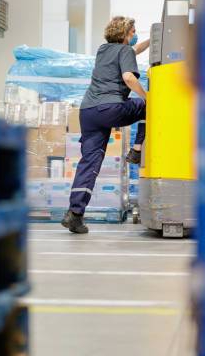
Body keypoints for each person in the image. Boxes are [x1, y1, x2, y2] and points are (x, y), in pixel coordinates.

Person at [63, 16, 150, 234]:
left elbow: (132, 51)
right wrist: (147, 95)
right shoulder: (125, 52)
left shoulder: (103, 50)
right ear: (125, 34)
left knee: (89, 162)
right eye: (133, 32)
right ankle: (137, 150)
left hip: (88, 112)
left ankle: (75, 214)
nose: (134, 35)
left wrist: (152, 41)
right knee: (150, 107)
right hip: (109, 108)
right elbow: (129, 77)